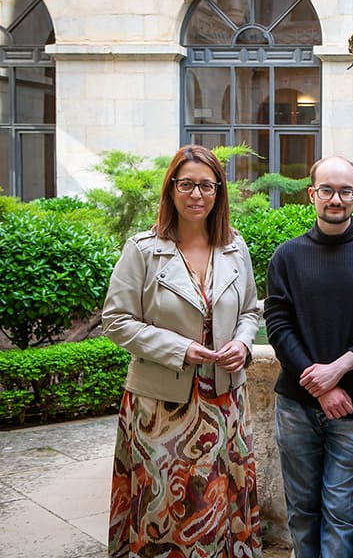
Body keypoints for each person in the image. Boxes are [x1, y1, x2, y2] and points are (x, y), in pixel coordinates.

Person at [102, 145, 262, 557]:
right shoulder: (143, 249)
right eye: (186, 184)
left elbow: (249, 310)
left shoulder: (234, 247)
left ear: (218, 192)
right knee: (163, 505)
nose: (196, 194)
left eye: (206, 186)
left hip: (225, 401)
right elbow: (116, 321)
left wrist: (243, 343)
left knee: (221, 502)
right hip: (160, 407)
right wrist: (181, 348)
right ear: (171, 188)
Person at [264, 156, 353, 558]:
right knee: (301, 511)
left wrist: (338, 371)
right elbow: (278, 326)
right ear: (312, 194)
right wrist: (319, 387)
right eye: (327, 190)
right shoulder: (287, 256)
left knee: (341, 511)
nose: (336, 199)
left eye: (345, 191)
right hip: (298, 406)